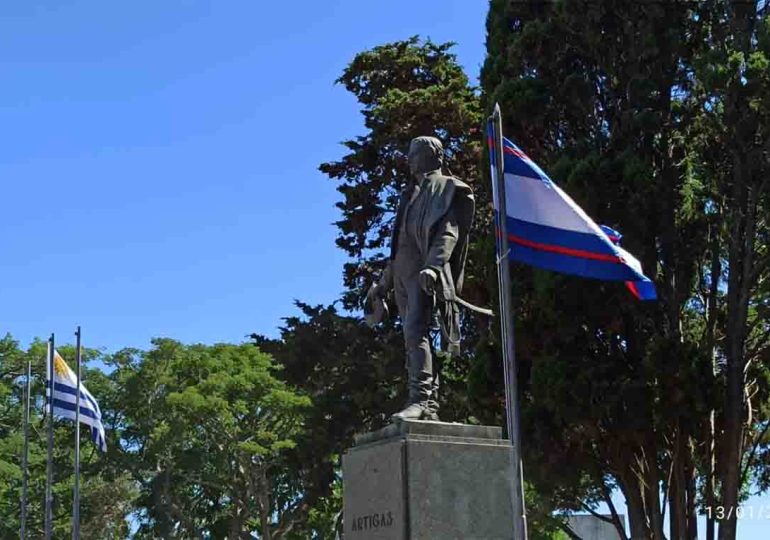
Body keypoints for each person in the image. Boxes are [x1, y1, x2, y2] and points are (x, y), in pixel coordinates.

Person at [366, 135, 474, 421]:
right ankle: (428, 405)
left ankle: (421, 400)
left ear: (433, 157)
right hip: (401, 272)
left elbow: (449, 233)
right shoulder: (410, 193)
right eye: (410, 154)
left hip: (423, 273)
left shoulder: (446, 188)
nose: (410, 160)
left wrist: (433, 266)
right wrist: (383, 283)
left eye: (415, 154)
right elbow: (399, 243)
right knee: (411, 337)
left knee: (416, 332)